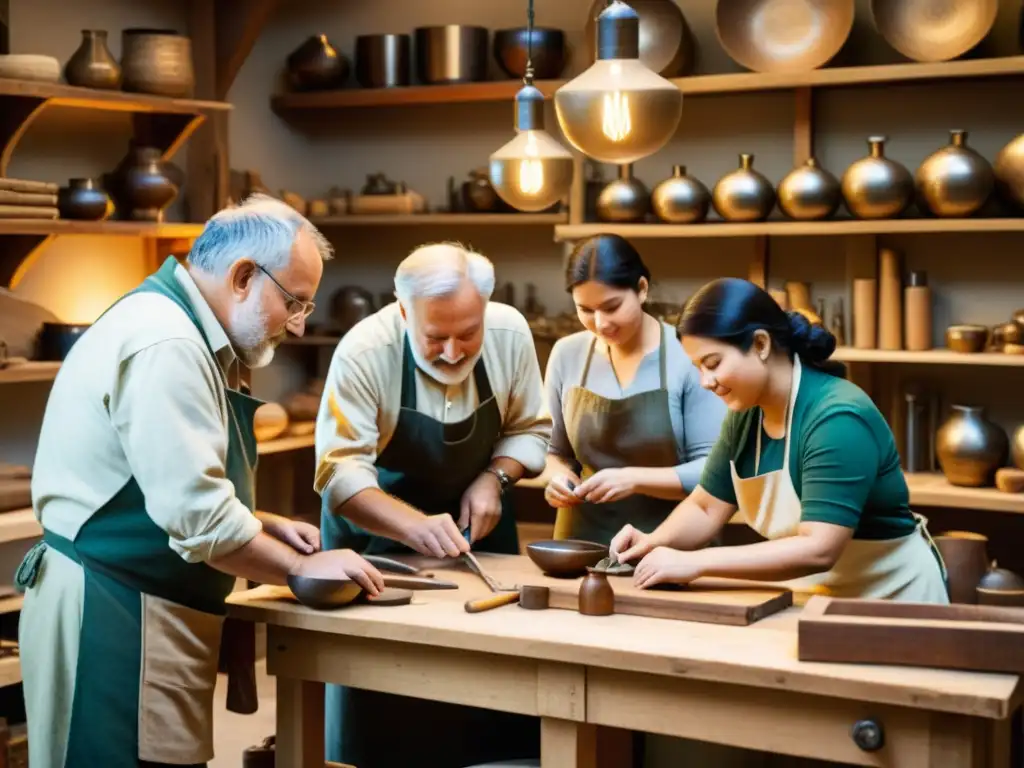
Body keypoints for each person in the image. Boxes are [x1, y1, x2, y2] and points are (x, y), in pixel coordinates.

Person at [16, 195, 385, 768]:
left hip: (146, 605)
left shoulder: (183, 328)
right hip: (112, 615)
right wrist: (299, 568)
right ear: (242, 277)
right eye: (294, 301)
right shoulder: (168, 343)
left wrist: (260, 524)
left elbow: (160, 486)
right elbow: (198, 519)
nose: (300, 323)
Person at [314, 241, 552, 767]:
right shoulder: (364, 352)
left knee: (492, 688)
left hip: (481, 537)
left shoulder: (511, 335)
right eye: (435, 337)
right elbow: (339, 473)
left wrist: (494, 478)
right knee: (384, 703)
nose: (452, 351)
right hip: (377, 547)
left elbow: (530, 429)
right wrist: (414, 528)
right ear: (403, 312)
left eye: (468, 334)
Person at [610, 277, 949, 602]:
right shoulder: (745, 416)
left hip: (893, 598)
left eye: (712, 364)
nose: (705, 381)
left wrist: (695, 562)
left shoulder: (837, 418)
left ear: (760, 344)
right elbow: (706, 506)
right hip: (815, 597)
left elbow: (819, 548)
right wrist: (653, 543)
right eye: (698, 367)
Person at [543, 234, 727, 545]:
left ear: (641, 289)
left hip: (670, 542)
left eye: (611, 306)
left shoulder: (688, 356)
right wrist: (556, 479)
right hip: (579, 543)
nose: (600, 323)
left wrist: (633, 479)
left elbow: (713, 471)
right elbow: (553, 453)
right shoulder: (567, 354)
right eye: (585, 310)